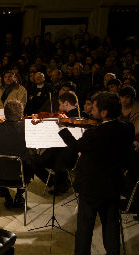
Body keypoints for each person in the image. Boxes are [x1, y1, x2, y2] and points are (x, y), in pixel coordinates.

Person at [58, 91, 134, 255]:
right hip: (114, 185)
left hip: (91, 187)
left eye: (94, 108)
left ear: (104, 112)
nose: (90, 111)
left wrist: (63, 129)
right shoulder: (127, 128)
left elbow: (77, 147)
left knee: (85, 228)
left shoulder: (95, 133)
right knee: (111, 226)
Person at [0, 100, 34, 209]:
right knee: (31, 162)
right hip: (21, 176)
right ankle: (19, 195)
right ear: (21, 114)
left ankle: (7, 197)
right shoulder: (28, 128)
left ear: (5, 114)